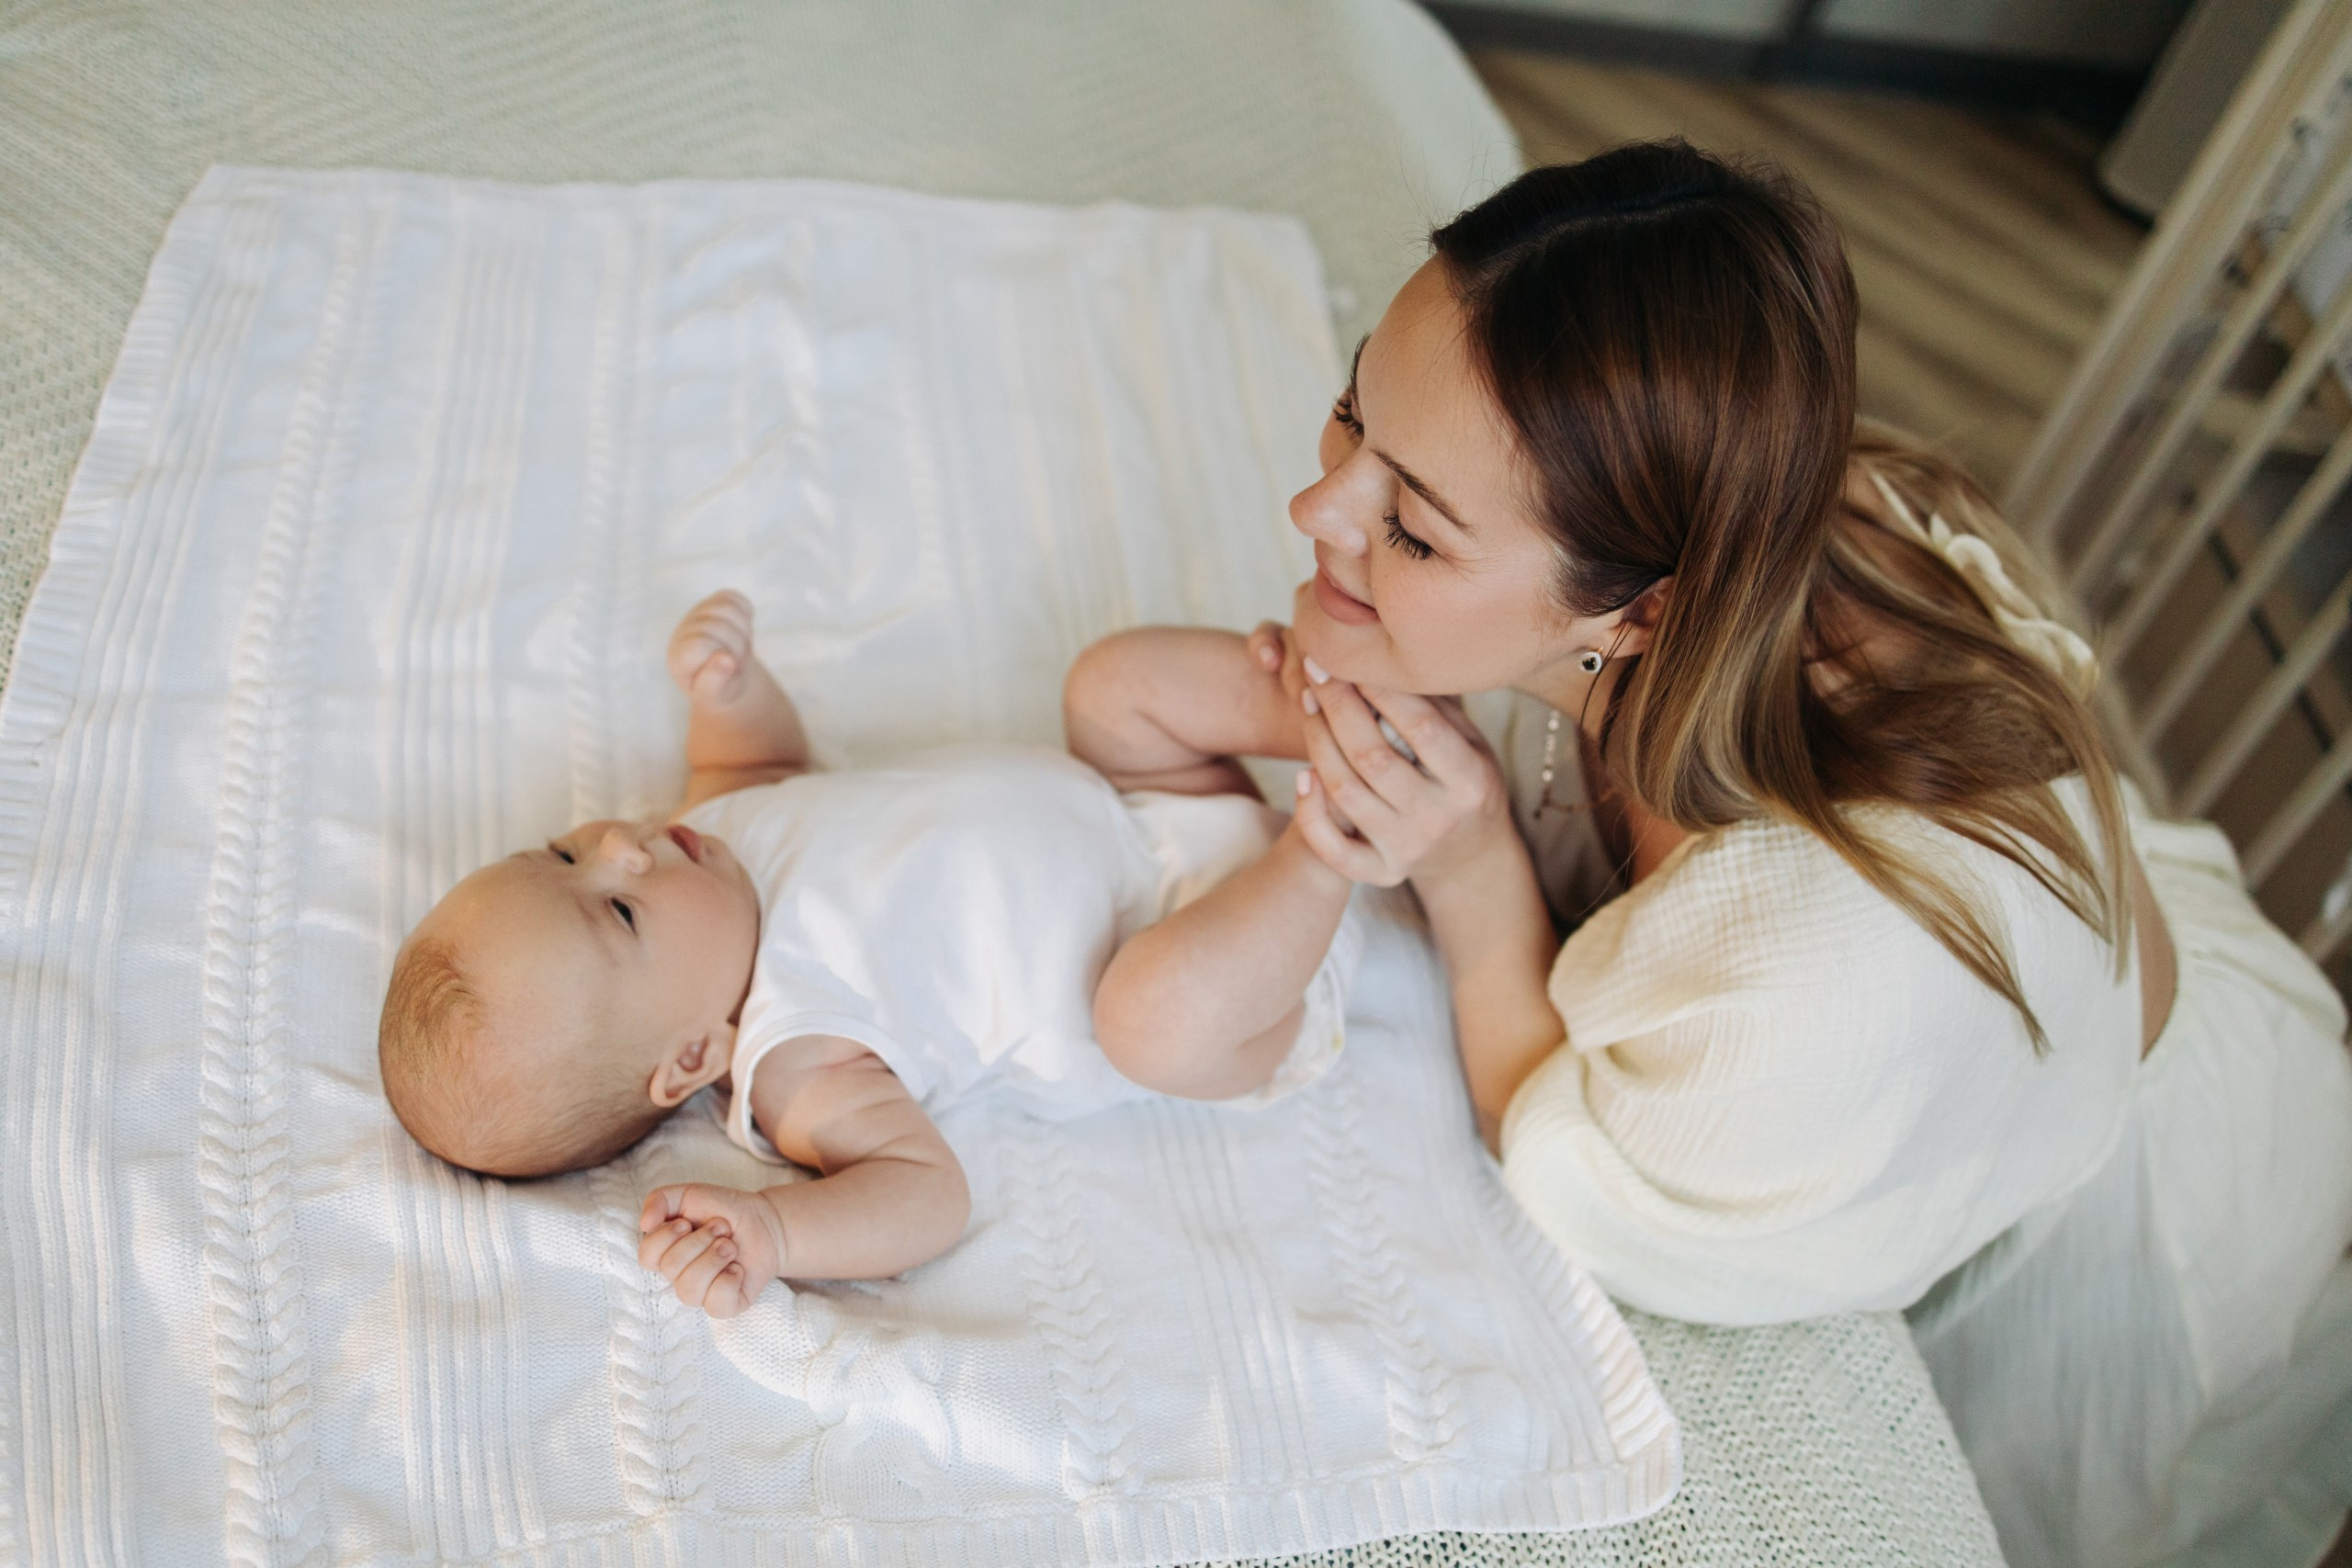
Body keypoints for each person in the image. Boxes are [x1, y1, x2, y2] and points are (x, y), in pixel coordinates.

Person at [1230, 139, 2352, 1568]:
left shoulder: (1819, 967)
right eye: (1350, 415)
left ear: (1639, 610)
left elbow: (1596, 1176)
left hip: (2165, 1198)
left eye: (1415, 528)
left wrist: (1471, 880)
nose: (1317, 510)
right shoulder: (1741, 516)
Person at [377, 591, 1361, 1316]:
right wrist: (777, 1233)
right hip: (1224, 973)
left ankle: (1347, 715)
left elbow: (754, 765)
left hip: (1150, 803)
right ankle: (1343, 838)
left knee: (1111, 681)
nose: (618, 848)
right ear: (689, 1059)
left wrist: (729, 691)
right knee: (1150, 1019)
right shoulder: (794, 1066)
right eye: (622, 916)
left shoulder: (705, 846)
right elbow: (926, 1194)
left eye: (563, 853)